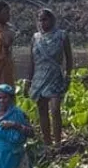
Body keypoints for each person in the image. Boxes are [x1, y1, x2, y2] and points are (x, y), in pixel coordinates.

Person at [26, 8, 74, 146]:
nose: (42, 23)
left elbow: (69, 59)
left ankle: (57, 141)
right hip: (39, 78)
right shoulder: (35, 38)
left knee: (55, 109)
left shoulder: (62, 36)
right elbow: (31, 61)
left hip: (55, 76)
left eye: (45, 19)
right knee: (42, 109)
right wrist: (28, 81)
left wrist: (68, 75)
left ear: (52, 20)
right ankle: (47, 142)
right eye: (40, 20)